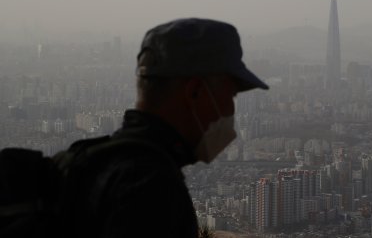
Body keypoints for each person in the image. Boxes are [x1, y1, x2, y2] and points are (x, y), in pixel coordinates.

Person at [68, 18, 268, 238]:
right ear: (195, 91)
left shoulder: (89, 160)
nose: (231, 108)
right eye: (231, 94)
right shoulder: (151, 189)